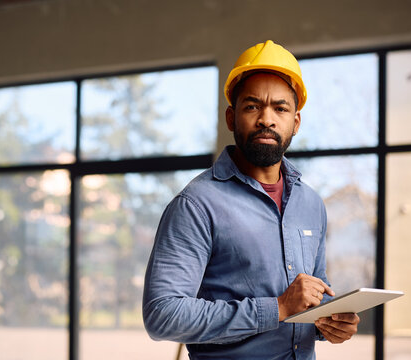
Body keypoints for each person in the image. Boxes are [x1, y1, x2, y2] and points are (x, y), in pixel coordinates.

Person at [142, 40, 360, 359]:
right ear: (232, 118)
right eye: (252, 106)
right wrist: (277, 308)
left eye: (280, 108)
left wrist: (329, 322)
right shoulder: (196, 205)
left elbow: (313, 293)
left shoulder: (311, 204)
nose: (266, 120)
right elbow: (163, 315)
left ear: (295, 123)